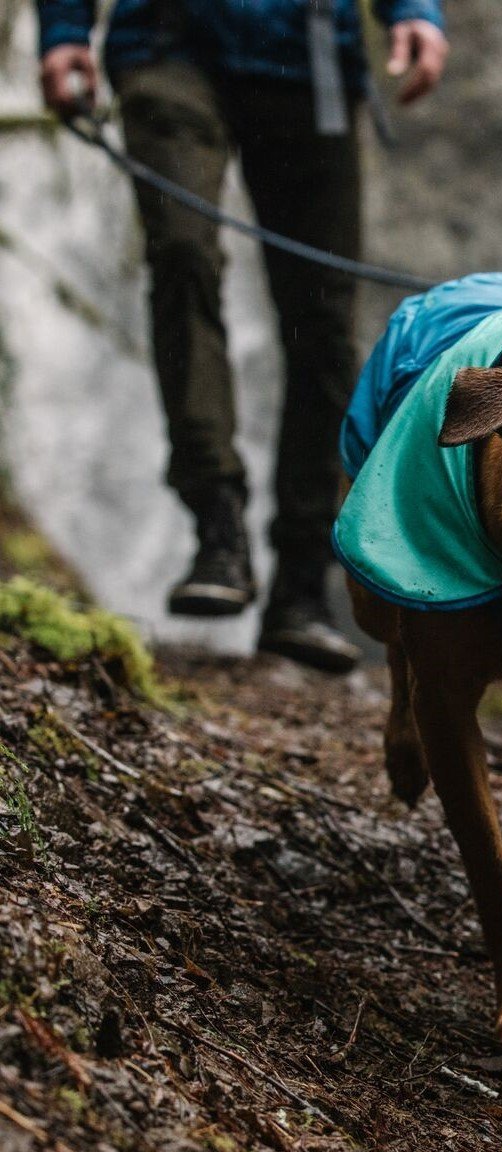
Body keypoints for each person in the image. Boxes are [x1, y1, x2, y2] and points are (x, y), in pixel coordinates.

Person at [37, 0, 449, 673]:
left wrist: (414, 10)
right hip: (167, 45)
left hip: (311, 58)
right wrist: (63, 30)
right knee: (182, 257)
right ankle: (216, 521)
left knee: (323, 323)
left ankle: (303, 583)